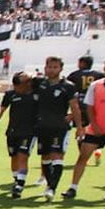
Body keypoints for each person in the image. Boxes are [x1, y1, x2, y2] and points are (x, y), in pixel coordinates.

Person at [64, 58, 105, 200]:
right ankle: (73, 188)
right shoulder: (96, 85)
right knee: (82, 158)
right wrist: (94, 124)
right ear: (104, 70)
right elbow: (90, 107)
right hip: (95, 129)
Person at [32, 57, 82, 201]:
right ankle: (49, 185)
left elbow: (75, 107)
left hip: (59, 127)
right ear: (45, 68)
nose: (51, 70)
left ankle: (52, 188)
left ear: (61, 69)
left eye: (55, 67)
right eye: (49, 67)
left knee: (57, 155)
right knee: (45, 157)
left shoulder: (68, 86)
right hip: (42, 126)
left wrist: (79, 127)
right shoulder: (39, 83)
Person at [0, 72, 38, 198]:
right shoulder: (10, 95)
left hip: (29, 132)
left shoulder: (36, 94)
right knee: (14, 156)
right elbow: (1, 111)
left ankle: (20, 184)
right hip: (13, 131)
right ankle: (16, 178)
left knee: (22, 156)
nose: (18, 88)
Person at [68, 55, 102, 166]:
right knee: (94, 130)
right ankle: (97, 150)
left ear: (82, 63)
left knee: (81, 131)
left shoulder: (74, 75)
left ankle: (83, 157)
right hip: (94, 106)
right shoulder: (99, 75)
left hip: (80, 106)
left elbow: (68, 88)